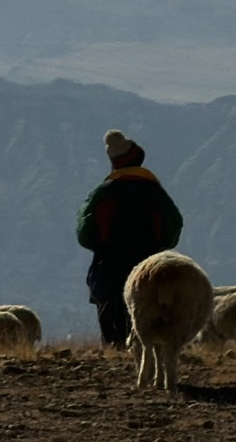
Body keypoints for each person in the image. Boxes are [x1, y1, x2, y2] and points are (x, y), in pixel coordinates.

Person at [75, 129, 184, 345]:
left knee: (113, 332)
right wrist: (160, 247)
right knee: (146, 331)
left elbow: (85, 232)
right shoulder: (155, 193)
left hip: (109, 271)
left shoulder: (104, 192)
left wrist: (103, 246)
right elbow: (174, 225)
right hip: (149, 270)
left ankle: (116, 365)